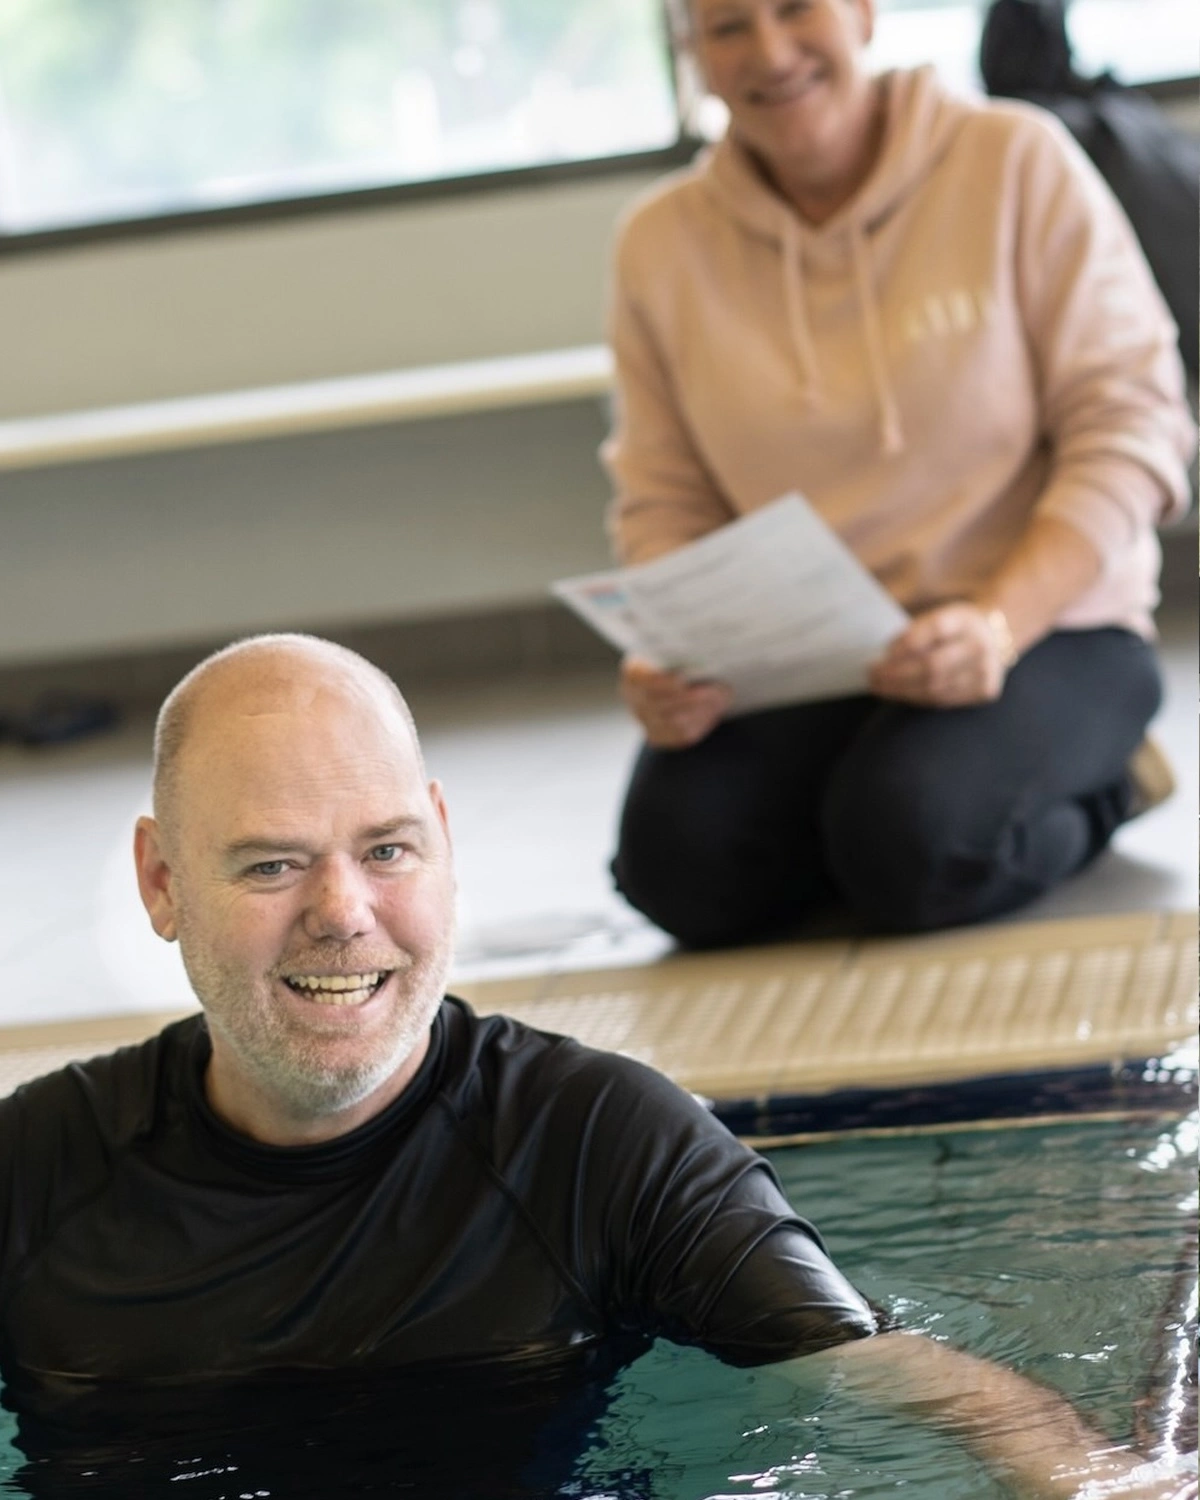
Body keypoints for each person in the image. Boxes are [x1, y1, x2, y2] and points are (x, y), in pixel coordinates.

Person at [0, 634, 1187, 1498]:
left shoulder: (590, 1141)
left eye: (387, 850)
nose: (344, 914)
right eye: (270, 867)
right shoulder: (40, 1170)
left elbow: (886, 1367)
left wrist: (1090, 1481)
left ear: (445, 842)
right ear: (161, 883)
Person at [602, 0, 1196, 949]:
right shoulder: (659, 242)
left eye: (797, 9)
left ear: (866, 14)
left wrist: (999, 622)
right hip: (813, 659)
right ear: (694, 58)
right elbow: (665, 496)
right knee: (677, 873)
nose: (770, 51)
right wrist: (671, 645)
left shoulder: (1015, 159)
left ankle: (1109, 780)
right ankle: (873, 806)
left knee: (911, 852)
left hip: (1045, 631)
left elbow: (1133, 424)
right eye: (728, 29)